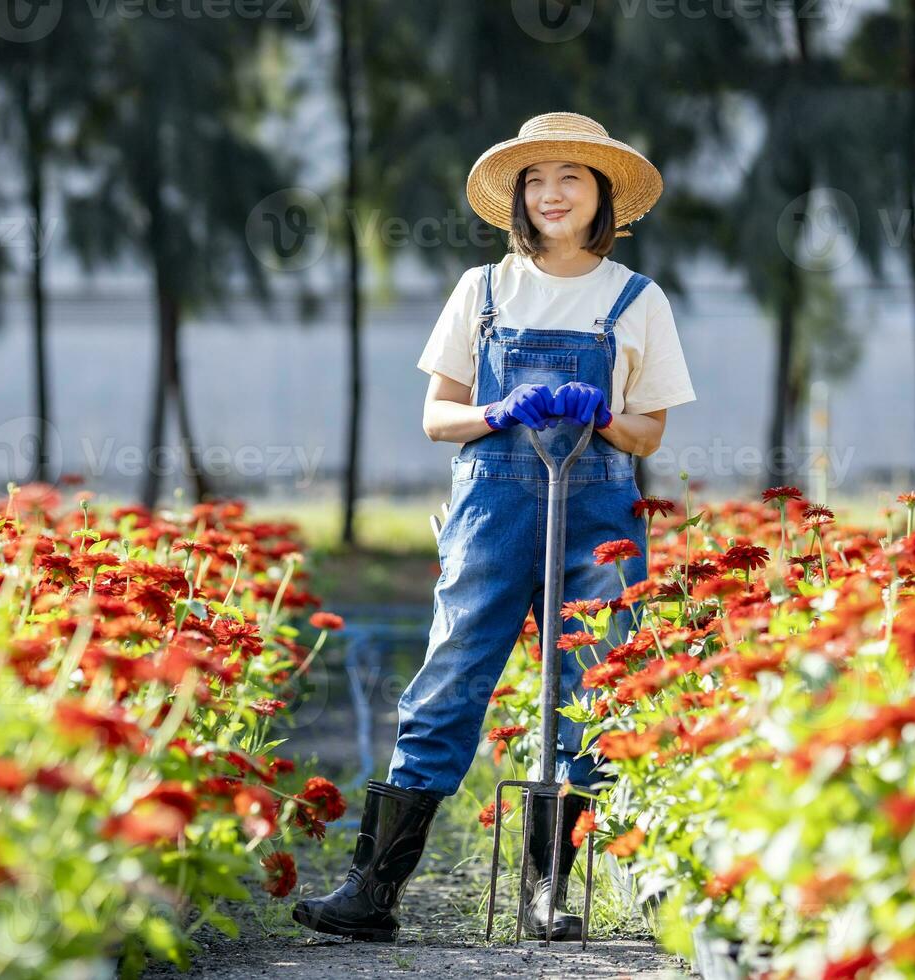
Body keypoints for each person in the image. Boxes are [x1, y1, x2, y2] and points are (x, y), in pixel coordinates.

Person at [293, 111, 696, 943]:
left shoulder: (638, 299)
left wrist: (604, 415)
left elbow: (650, 431)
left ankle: (551, 894)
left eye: (570, 178)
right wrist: (497, 408)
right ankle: (373, 892)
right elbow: (437, 416)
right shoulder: (481, 291)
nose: (552, 194)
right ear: (518, 195)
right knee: (449, 677)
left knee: (587, 691)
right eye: (536, 180)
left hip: (599, 514)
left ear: (601, 194)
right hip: (490, 505)